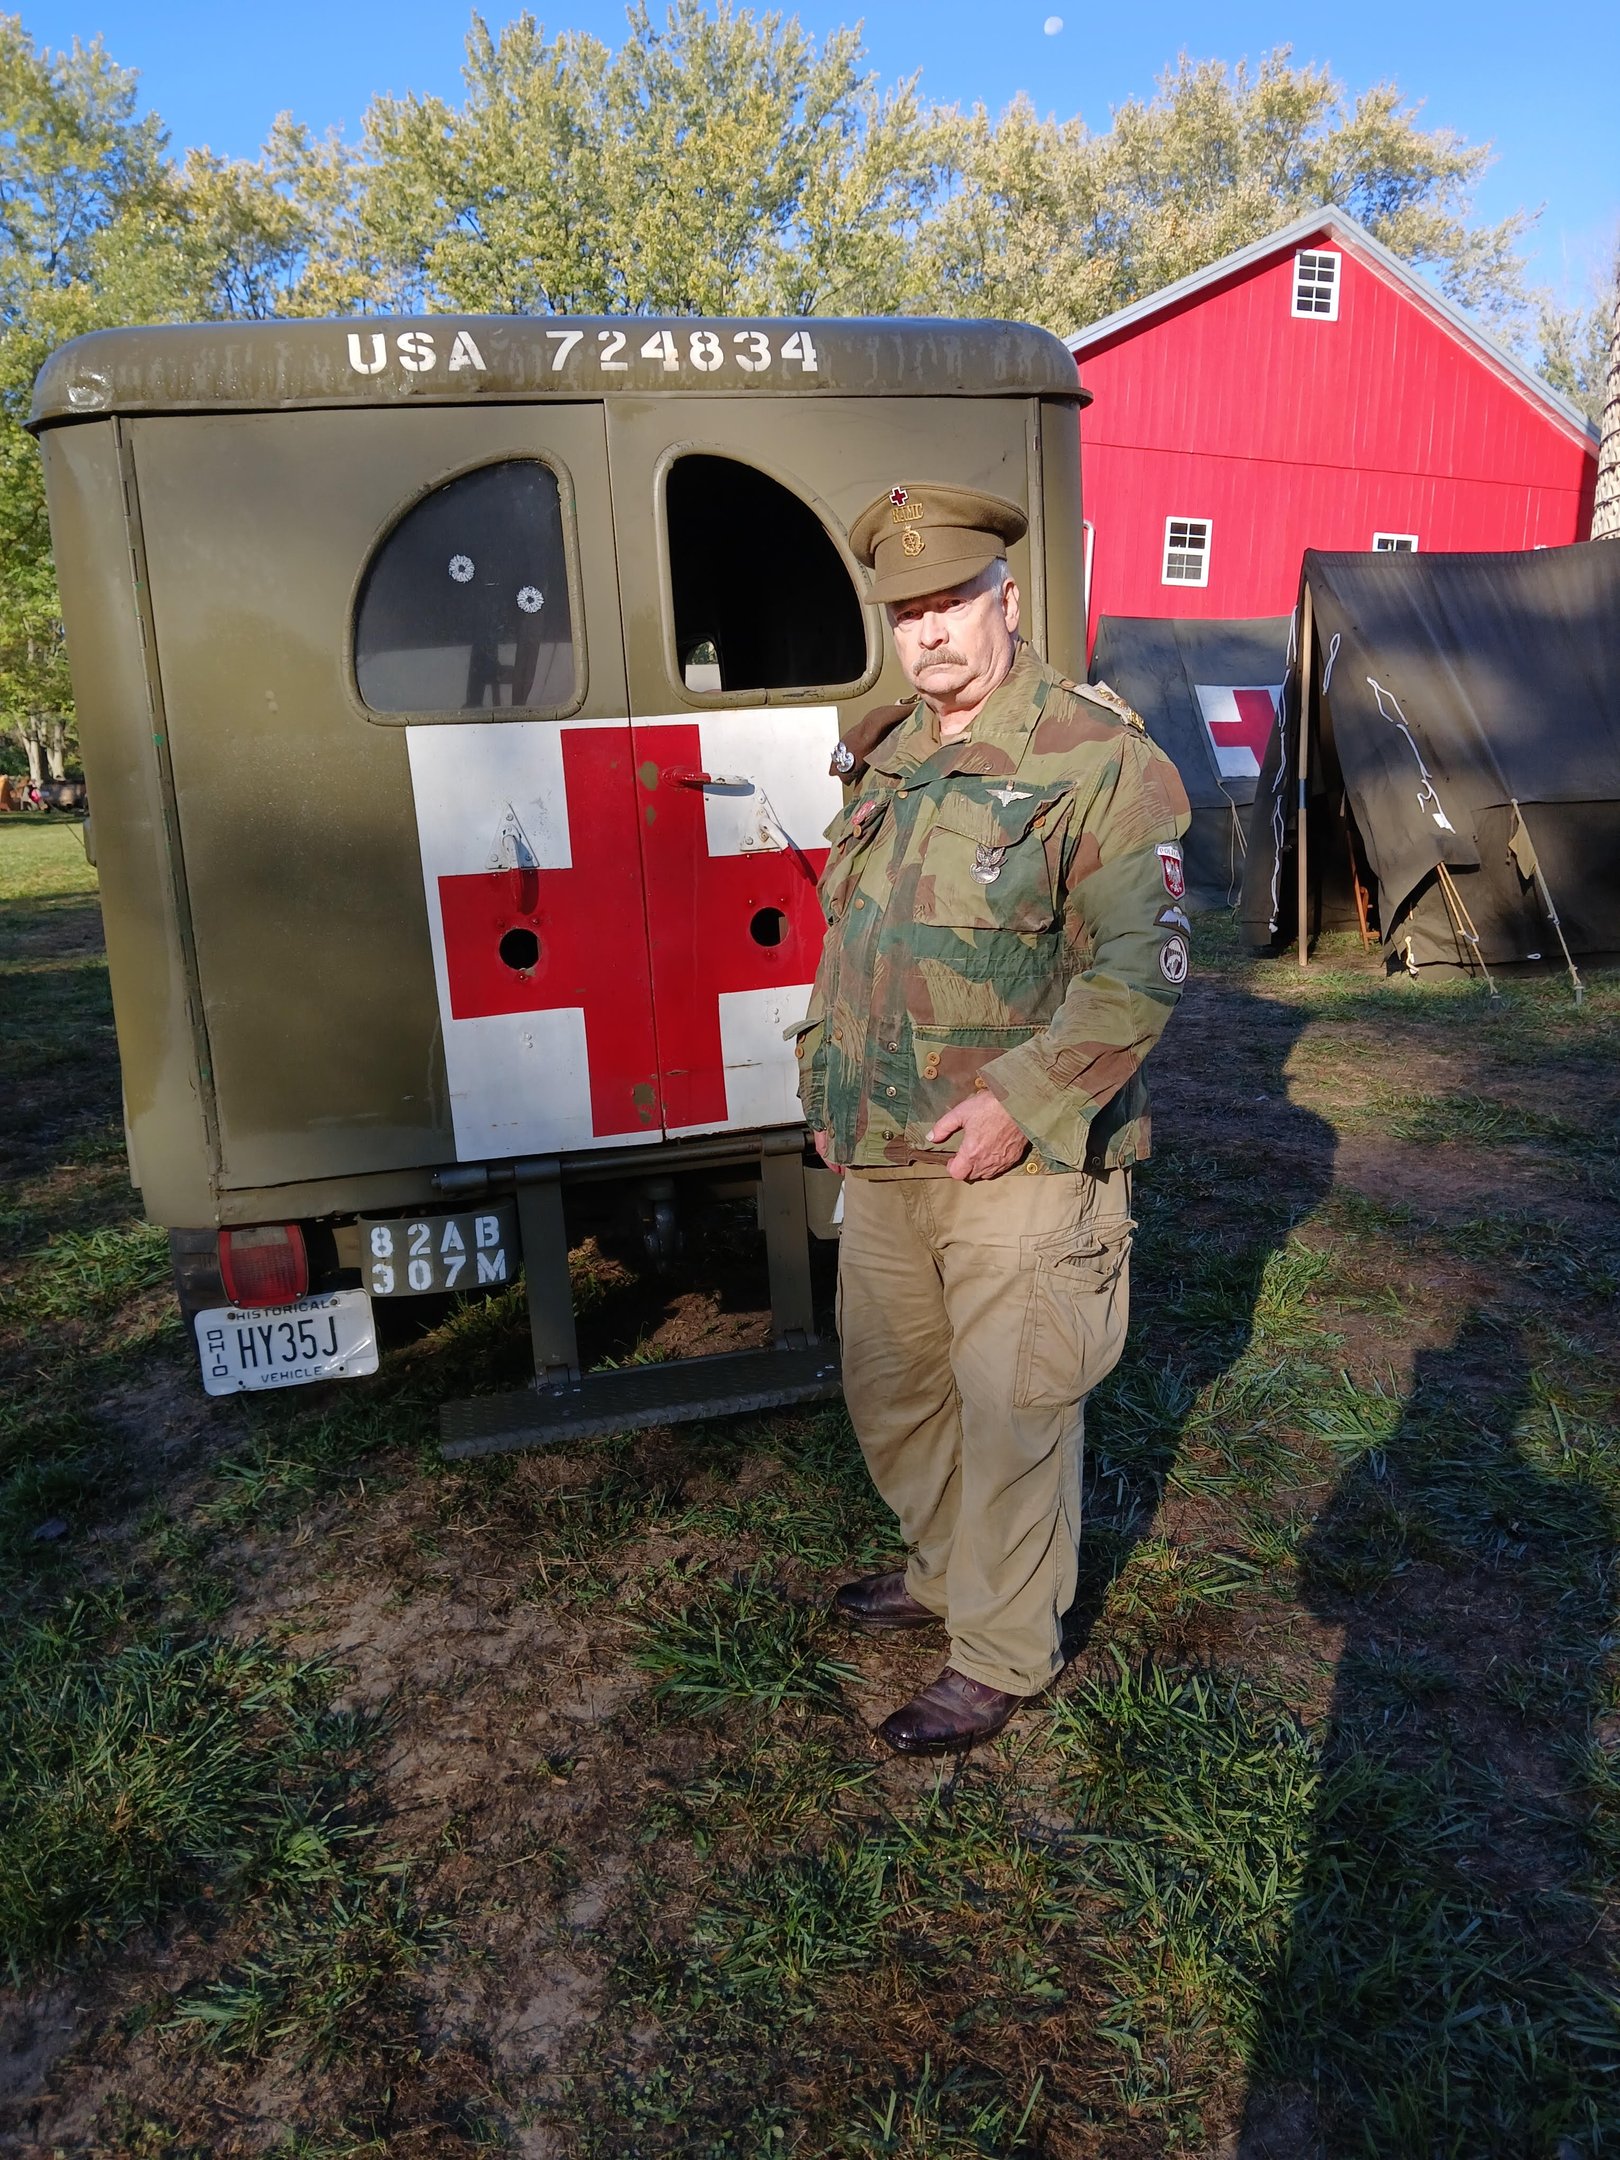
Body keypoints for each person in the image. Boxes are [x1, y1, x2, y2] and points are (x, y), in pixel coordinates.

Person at [792, 482, 1191, 1755]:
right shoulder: (889, 748)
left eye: (953, 601)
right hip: (889, 1147)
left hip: (1026, 1159)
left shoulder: (1098, 755)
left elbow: (1142, 968)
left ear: (1005, 601)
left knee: (1015, 1408)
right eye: (906, 611)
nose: (929, 631)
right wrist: (828, 1085)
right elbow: (855, 940)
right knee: (893, 1390)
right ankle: (944, 1571)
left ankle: (1003, 1652)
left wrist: (1021, 1104)